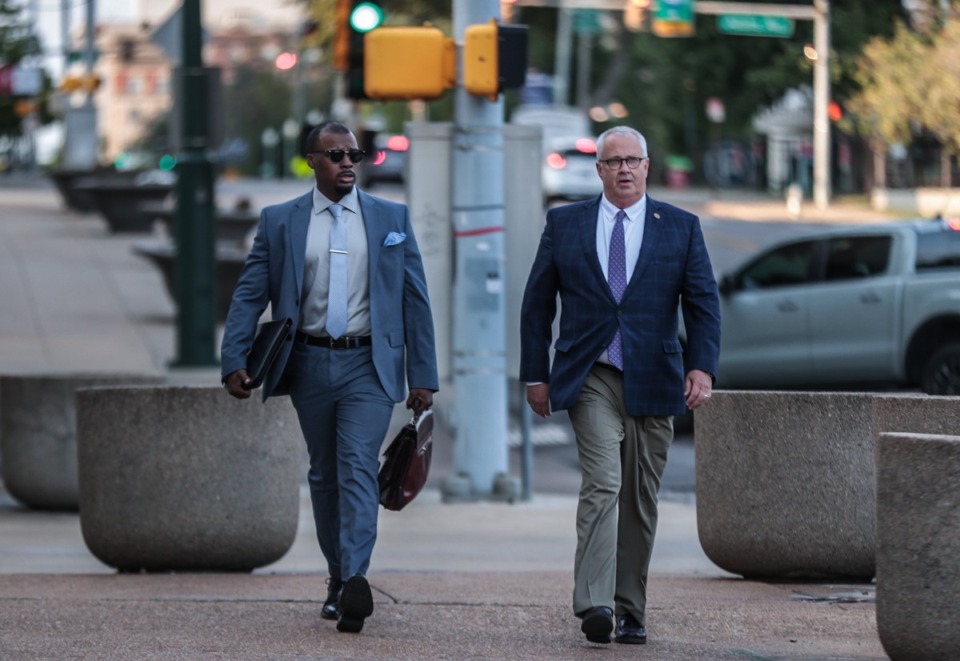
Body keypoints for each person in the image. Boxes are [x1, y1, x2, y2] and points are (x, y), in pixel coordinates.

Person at [221, 120, 439, 634]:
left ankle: (356, 579)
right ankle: (338, 578)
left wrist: (422, 376)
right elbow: (250, 293)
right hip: (311, 362)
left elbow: (416, 301)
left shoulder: (391, 217)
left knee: (357, 466)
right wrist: (235, 359)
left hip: (369, 363)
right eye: (335, 155)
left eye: (354, 155)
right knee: (325, 475)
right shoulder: (281, 221)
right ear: (312, 161)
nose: (347, 163)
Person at [519, 126, 721, 645]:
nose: (625, 169)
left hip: (655, 375)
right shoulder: (565, 223)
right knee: (604, 483)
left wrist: (702, 367)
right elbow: (538, 304)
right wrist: (535, 373)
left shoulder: (679, 227)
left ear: (647, 166)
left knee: (639, 498)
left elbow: (702, 304)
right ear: (600, 170)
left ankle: (631, 608)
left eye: (633, 160)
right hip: (590, 373)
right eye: (614, 162)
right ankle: (595, 603)